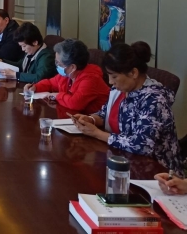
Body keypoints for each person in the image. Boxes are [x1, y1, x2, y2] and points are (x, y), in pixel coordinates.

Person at [73, 42, 182, 172]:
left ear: (133, 73)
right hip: (122, 158)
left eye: (114, 76)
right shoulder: (121, 89)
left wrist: (97, 133)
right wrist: (91, 119)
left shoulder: (154, 99)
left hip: (157, 171)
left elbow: (142, 145)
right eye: (109, 76)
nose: (110, 82)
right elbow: (105, 113)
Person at [24, 39, 109, 114]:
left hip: (94, 122)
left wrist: (57, 96)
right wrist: (35, 87)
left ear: (72, 67)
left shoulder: (91, 79)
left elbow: (75, 103)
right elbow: (50, 83)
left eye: (59, 63)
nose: (56, 65)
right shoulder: (68, 74)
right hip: (74, 117)